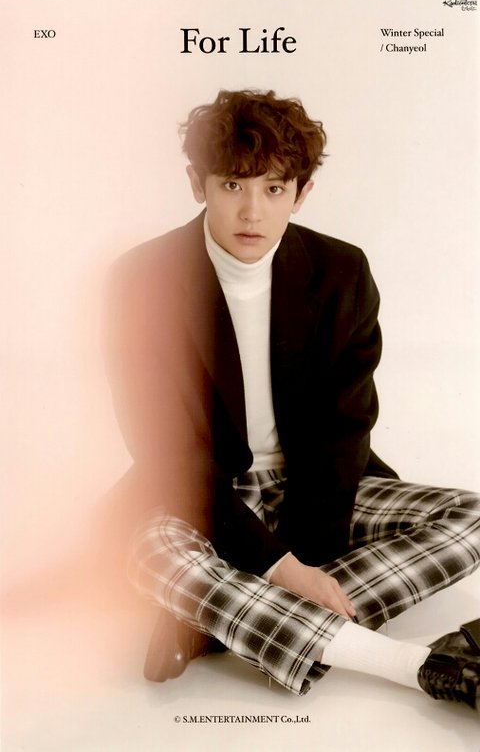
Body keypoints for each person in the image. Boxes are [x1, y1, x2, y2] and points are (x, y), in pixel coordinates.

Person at [105, 89, 480, 708]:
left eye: (274, 188)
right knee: (150, 554)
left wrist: (303, 561)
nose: (252, 211)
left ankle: (214, 619)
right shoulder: (140, 280)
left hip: (315, 487)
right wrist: (281, 570)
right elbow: (170, 459)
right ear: (198, 184)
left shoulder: (341, 271)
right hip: (205, 494)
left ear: (301, 193)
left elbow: (345, 431)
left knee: (473, 517)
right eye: (233, 185)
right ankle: (416, 665)